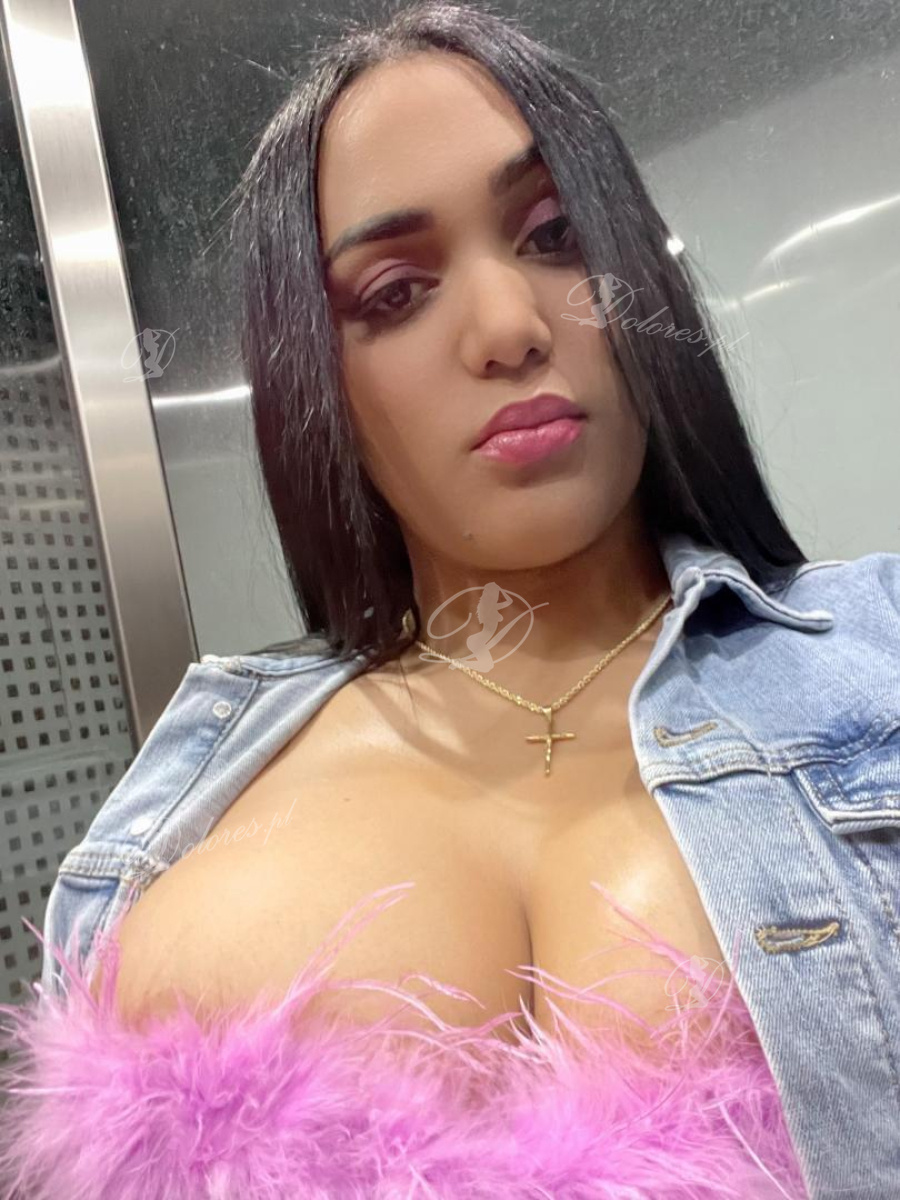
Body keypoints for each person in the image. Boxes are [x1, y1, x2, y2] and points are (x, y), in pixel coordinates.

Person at [1, 4, 898, 1197]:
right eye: (393, 293)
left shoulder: (880, 657)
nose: (510, 329)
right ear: (316, 382)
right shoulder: (210, 800)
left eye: (556, 235)